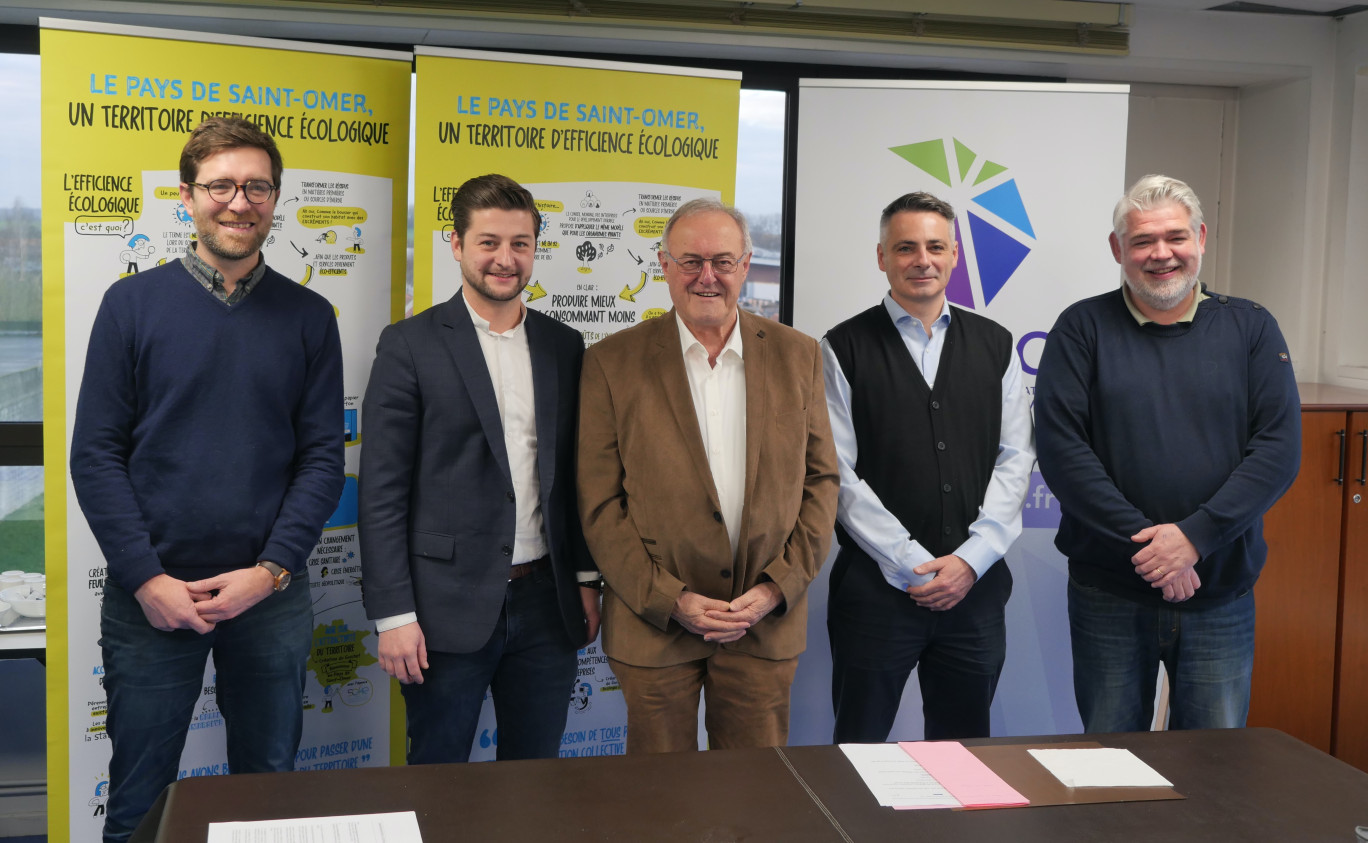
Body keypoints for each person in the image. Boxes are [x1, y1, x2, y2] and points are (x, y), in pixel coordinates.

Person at [70, 116, 344, 843]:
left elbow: (322, 458)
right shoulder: (130, 306)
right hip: (153, 594)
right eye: (220, 185)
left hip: (269, 596)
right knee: (139, 799)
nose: (238, 200)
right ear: (187, 196)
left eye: (256, 185)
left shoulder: (311, 317)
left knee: (267, 793)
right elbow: (94, 453)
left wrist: (272, 570)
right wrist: (145, 577)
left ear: (275, 198)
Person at [1034, 174, 1301, 732]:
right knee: (1110, 767)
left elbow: (1277, 449)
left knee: (1213, 770)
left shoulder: (1251, 328)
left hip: (1219, 592)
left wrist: (1194, 539)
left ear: (1201, 238)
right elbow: (1063, 451)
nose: (1161, 254)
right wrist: (1156, 551)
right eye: (1142, 241)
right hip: (1109, 591)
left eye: (1175, 237)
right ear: (1117, 249)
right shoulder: (1081, 328)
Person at [577, 197, 839, 753]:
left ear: (746, 265)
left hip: (763, 623)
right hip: (655, 625)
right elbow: (599, 505)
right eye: (690, 261)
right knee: (659, 804)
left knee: (753, 796)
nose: (707, 276)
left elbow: (821, 485)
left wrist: (776, 589)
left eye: (723, 261)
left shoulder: (801, 356)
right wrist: (670, 599)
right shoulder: (610, 363)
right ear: (663, 266)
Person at [359, 173, 600, 763]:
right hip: (443, 609)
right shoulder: (409, 344)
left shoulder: (564, 345)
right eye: (489, 242)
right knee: (439, 779)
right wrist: (394, 615)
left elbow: (578, 478)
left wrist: (588, 582)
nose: (505, 259)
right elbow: (382, 491)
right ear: (456, 244)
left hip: (547, 603)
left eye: (520, 244)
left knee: (534, 779)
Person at [822, 191, 1034, 743]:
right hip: (875, 595)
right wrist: (912, 564)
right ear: (881, 257)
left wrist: (971, 560)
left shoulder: (996, 344)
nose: (923, 260)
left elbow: (1016, 458)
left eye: (936, 246)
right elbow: (839, 475)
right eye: (906, 247)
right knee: (859, 749)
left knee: (964, 751)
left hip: (975, 593)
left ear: (955, 255)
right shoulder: (840, 347)